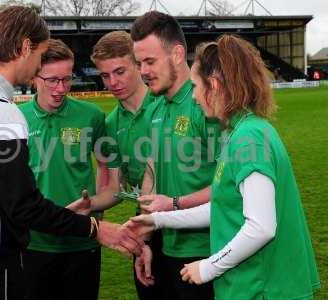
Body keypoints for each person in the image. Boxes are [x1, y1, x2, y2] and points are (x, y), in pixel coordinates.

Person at [0, 6, 142, 300]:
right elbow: (24, 205)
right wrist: (95, 229)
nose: (40, 66)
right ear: (26, 47)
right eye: (41, 55)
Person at [129, 34, 321, 300]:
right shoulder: (241, 131)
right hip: (253, 286)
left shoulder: (249, 137)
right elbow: (223, 206)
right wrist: (158, 220)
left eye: (196, 86)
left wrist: (208, 267)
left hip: (264, 288)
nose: (194, 96)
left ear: (215, 85)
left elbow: (261, 227)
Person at [130, 11, 221, 300]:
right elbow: (151, 174)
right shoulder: (156, 106)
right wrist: (145, 239)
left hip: (208, 252)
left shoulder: (206, 104)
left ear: (178, 54)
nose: (143, 71)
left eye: (150, 61)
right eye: (139, 62)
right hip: (166, 247)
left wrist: (174, 204)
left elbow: (232, 186)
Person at [19, 38, 106, 300]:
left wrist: (97, 204)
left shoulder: (92, 115)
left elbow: (108, 170)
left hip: (82, 239)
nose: (61, 88)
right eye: (52, 80)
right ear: (35, 77)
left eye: (67, 79)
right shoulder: (16, 118)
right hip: (34, 242)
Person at [90, 30, 164, 300]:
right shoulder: (110, 124)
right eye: (105, 75)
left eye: (120, 71)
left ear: (137, 64)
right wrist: (90, 206)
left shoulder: (165, 104)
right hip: (144, 227)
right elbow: (115, 187)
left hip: (190, 226)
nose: (113, 82)